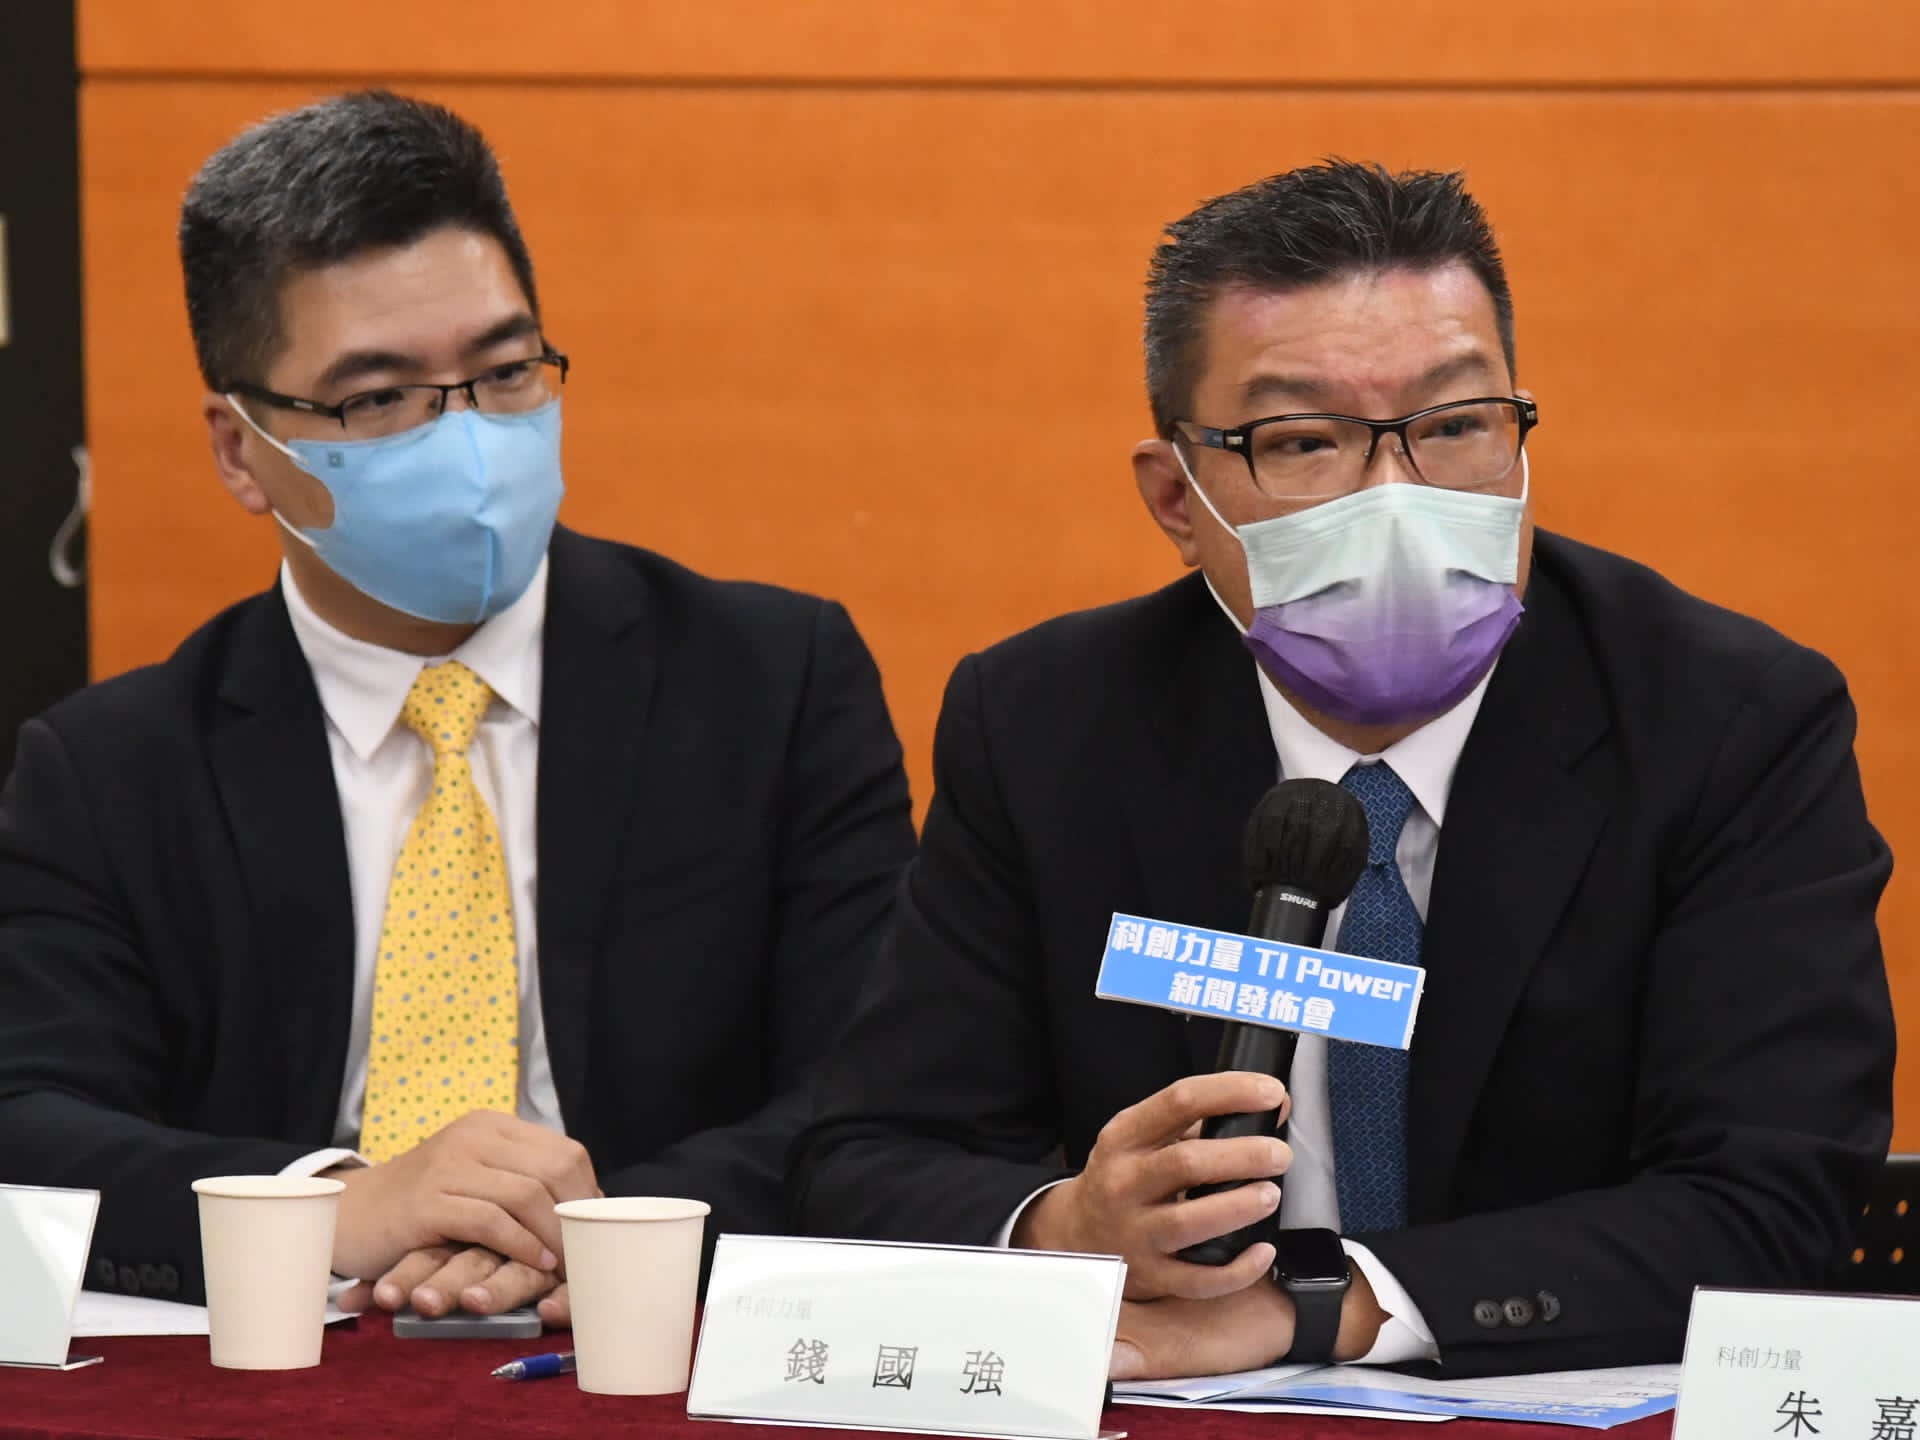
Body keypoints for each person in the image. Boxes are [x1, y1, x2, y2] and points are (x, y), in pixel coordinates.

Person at [792, 161, 1895, 1378]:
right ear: (1177, 498)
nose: (1396, 498)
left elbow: (1774, 1200)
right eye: (1304, 441)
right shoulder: (1046, 725)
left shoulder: (1726, 722)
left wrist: (1323, 1309)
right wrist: (1070, 1228)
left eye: (1455, 426)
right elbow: (875, 1153)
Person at [0, 90, 916, 1326]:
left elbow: (873, 1090)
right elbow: (30, 1125)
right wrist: (336, 1205)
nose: (471, 440)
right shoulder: (112, 770)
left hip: (636, 1339)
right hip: (292, 1356)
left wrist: (600, 1233)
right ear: (239, 449)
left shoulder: (770, 683)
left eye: (505, 372)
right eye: (378, 398)